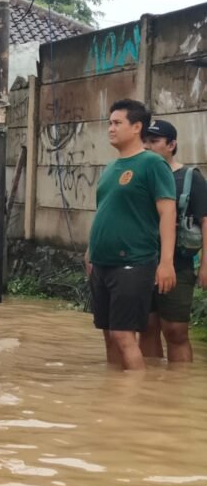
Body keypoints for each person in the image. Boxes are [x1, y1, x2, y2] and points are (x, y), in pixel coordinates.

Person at [86, 99, 177, 371]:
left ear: (137, 127)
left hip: (133, 262)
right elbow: (105, 212)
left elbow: (167, 213)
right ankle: (115, 400)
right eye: (109, 123)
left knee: (124, 336)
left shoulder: (152, 163)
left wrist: (166, 262)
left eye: (117, 123)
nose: (110, 128)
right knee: (109, 335)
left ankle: (139, 400)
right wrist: (90, 252)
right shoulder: (110, 169)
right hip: (101, 263)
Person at [140, 120, 206, 363]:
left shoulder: (190, 178)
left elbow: (205, 221)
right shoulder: (141, 175)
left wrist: (205, 266)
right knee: (146, 327)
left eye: (154, 141)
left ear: (172, 145)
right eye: (145, 141)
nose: (148, 146)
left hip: (178, 265)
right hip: (142, 262)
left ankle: (177, 389)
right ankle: (151, 390)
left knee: (175, 331)